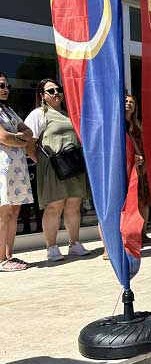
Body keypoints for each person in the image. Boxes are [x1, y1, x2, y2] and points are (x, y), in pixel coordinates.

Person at [25, 78, 90, 262]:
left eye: (58, 90)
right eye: (51, 91)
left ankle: (74, 244)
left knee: (74, 205)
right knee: (54, 206)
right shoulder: (39, 114)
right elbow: (29, 141)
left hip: (74, 165)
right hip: (52, 167)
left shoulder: (68, 114)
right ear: (42, 96)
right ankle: (51, 247)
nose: (56, 93)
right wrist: (40, 161)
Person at [0, 74, 34, 271]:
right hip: (2, 168)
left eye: (7, 85)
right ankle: (0, 259)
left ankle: (9, 255)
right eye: (1, 85)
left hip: (17, 168)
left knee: (14, 211)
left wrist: (18, 137)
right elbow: (4, 137)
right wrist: (18, 138)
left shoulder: (9, 111)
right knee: (4, 213)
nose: (5, 89)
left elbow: (28, 133)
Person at [125, 94, 151, 242]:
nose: (129, 104)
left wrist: (146, 163)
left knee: (143, 200)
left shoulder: (138, 124)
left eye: (132, 102)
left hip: (140, 167)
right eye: (126, 101)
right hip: (127, 167)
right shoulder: (119, 124)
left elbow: (145, 145)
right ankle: (132, 233)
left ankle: (143, 232)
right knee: (131, 201)